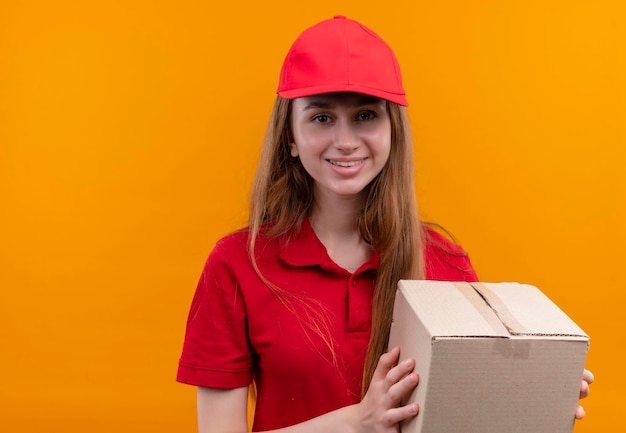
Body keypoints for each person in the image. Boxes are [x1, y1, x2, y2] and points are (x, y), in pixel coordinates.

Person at [177, 16, 593, 433]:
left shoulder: (444, 263)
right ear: (289, 136)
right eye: (321, 118)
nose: (345, 141)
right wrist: (356, 423)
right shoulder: (237, 263)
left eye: (365, 116)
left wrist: (531, 392)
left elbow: (465, 419)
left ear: (392, 130)